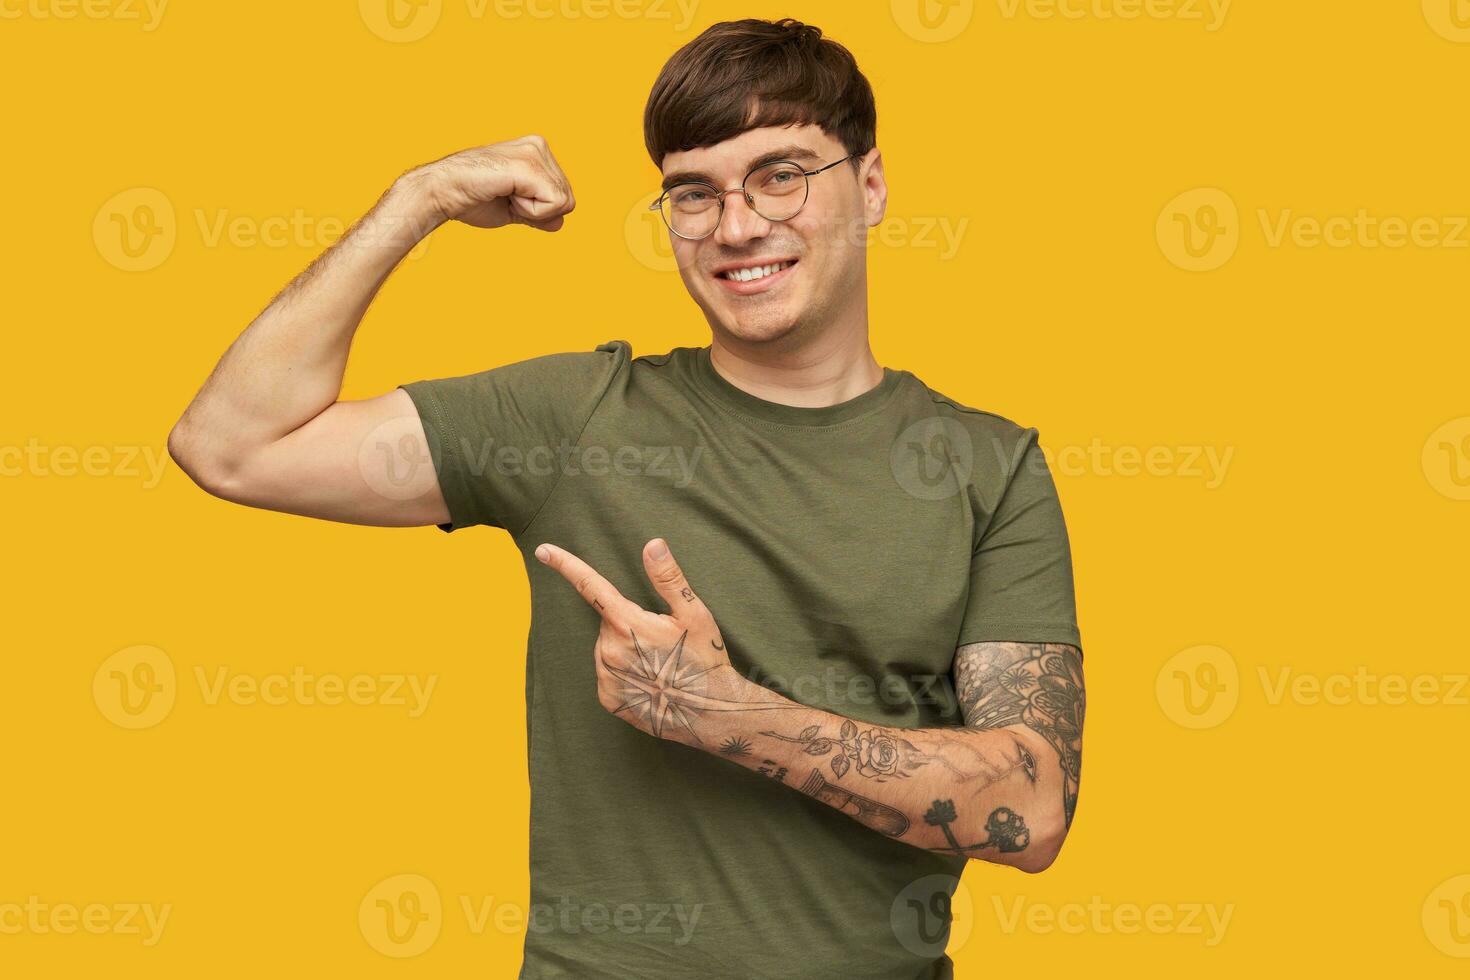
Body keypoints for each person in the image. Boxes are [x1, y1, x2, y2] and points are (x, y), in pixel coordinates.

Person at [168, 17, 1085, 979]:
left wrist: (732, 718)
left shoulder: (990, 467)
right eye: (695, 193)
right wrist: (419, 197)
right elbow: (231, 445)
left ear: (871, 186)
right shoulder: (575, 417)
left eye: (781, 175)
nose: (736, 226)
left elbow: (1032, 812)